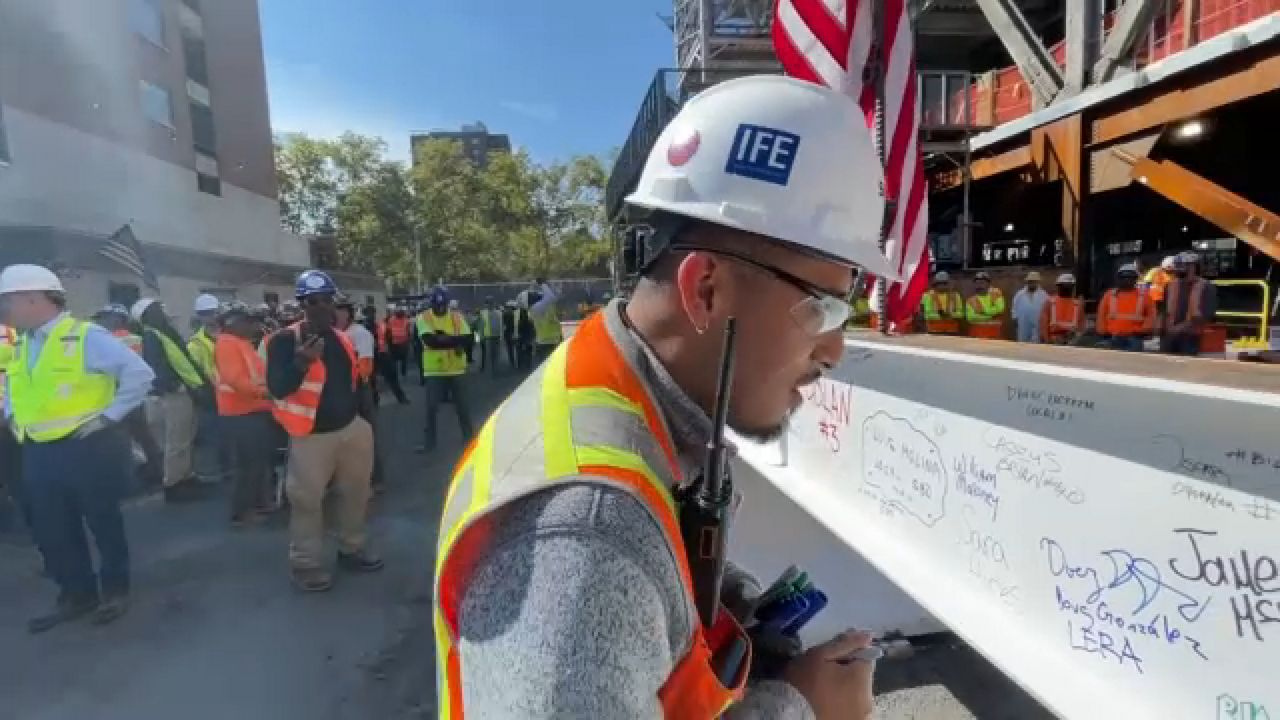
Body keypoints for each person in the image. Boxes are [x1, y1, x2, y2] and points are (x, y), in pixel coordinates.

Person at [433, 74, 883, 719]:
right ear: (705, 289)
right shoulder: (586, 539)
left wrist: (717, 610)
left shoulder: (615, 382)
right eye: (823, 308)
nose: (834, 349)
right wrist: (803, 710)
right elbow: (602, 577)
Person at [1, 264, 155, 631]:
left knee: (103, 521)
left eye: (8, 301)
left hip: (87, 447)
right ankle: (77, 593)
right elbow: (16, 387)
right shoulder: (22, 344)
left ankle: (115, 590)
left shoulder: (86, 336)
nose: (4, 310)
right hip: (38, 450)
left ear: (33, 299)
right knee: (54, 527)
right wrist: (11, 414)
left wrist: (109, 417)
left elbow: (139, 374)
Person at [266, 270, 381, 592]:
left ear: (334, 302)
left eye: (326, 300)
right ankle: (305, 564)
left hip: (352, 429)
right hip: (311, 437)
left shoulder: (341, 337)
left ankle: (351, 549)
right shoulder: (284, 340)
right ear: (302, 304)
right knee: (307, 502)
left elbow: (354, 382)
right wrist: (301, 362)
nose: (321, 306)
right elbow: (277, 387)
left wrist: (366, 422)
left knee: (356, 494)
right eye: (312, 301)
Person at [134, 297, 212, 503]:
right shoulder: (152, 335)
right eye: (157, 308)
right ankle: (173, 484)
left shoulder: (164, 332)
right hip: (175, 394)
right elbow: (156, 364)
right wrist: (173, 385)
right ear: (148, 314)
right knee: (177, 441)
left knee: (186, 436)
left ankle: (186, 476)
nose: (163, 310)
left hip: (184, 390)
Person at [212, 303, 275, 527]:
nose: (252, 326)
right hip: (240, 412)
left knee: (257, 462)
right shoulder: (228, 344)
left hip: (253, 409)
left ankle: (259, 503)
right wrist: (265, 393)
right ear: (233, 323)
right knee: (247, 464)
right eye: (248, 322)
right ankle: (241, 512)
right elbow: (235, 379)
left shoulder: (241, 343)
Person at [91, 304, 163, 485]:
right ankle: (155, 471)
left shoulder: (109, 341)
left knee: (123, 439)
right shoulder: (135, 338)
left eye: (104, 317)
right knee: (143, 436)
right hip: (134, 395)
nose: (100, 322)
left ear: (117, 319)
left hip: (116, 397)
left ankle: (131, 478)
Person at [416, 287, 474, 454]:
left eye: (443, 305)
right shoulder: (424, 317)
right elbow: (430, 341)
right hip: (435, 371)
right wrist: (455, 341)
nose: (440, 308)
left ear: (447, 304)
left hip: (457, 369)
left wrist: (442, 337)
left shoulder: (456, 317)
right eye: (437, 305)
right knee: (431, 408)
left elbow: (469, 339)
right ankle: (429, 443)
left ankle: (469, 438)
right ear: (432, 304)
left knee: (463, 407)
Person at [337, 297, 383, 492]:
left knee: (366, 436)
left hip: (358, 390)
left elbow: (365, 367)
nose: (336, 315)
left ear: (349, 313)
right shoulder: (334, 334)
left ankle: (375, 479)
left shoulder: (359, 334)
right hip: (339, 392)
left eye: (341, 310)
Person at [190, 294, 231, 485]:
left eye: (212, 312)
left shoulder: (231, 334)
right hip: (213, 394)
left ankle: (231, 466)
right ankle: (222, 470)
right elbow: (198, 371)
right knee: (217, 434)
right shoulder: (195, 343)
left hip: (235, 391)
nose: (209, 317)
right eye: (204, 313)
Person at [1160, 251, 1217, 356]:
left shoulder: (1206, 287)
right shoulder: (1170, 285)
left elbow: (1207, 315)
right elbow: (1164, 311)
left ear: (1194, 267)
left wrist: (1180, 328)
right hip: (1168, 337)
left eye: (1184, 267)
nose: (1180, 271)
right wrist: (1161, 329)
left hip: (1190, 337)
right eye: (1178, 268)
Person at [1097, 263, 1156, 352]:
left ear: (1135, 279)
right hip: (1112, 337)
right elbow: (1101, 315)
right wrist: (1103, 332)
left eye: (1129, 277)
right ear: (1118, 279)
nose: (1126, 280)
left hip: (1135, 338)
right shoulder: (1109, 295)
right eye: (1123, 277)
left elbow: (1151, 316)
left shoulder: (1144, 296)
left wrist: (1144, 330)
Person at [366, 304, 408, 405]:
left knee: (391, 376)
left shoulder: (378, 325)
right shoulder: (366, 326)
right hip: (373, 355)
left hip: (382, 353)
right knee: (372, 379)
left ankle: (401, 397)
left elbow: (388, 338)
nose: (371, 315)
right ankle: (375, 399)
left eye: (372, 313)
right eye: (369, 313)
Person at [1039, 273, 1084, 345]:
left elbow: (1081, 328)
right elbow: (1043, 326)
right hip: (1053, 342)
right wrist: (1047, 342)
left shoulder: (1078, 305)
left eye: (1069, 286)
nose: (1067, 288)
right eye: (1065, 286)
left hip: (1071, 343)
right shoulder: (1050, 303)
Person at [965, 272, 1006, 339]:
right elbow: (970, 317)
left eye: (982, 283)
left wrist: (983, 311)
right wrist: (991, 316)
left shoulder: (996, 294)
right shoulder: (971, 300)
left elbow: (1000, 309)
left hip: (995, 334)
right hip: (977, 335)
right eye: (977, 283)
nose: (979, 286)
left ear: (988, 284)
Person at [1011, 271, 1049, 343]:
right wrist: (1015, 318)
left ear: (1038, 282)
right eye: (1030, 281)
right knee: (1022, 342)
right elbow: (1014, 308)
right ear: (1027, 282)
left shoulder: (1044, 295)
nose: (1032, 283)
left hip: (1037, 323)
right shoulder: (1019, 294)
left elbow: (1047, 310)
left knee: (1036, 343)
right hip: (1023, 322)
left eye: (1034, 281)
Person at [476, 296, 503, 375]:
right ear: (486, 304)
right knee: (488, 356)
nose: (489, 304)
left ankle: (495, 370)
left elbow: (501, 325)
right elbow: (479, 327)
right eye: (488, 303)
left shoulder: (499, 313)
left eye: (491, 302)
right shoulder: (482, 313)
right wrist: (479, 338)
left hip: (497, 337)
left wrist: (501, 337)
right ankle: (489, 372)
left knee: (496, 355)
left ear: (494, 303)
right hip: (487, 338)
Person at [501, 300, 518, 369]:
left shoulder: (505, 314)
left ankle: (512, 362)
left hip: (508, 333)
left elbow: (503, 325)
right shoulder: (515, 314)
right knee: (514, 348)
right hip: (512, 333)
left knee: (510, 349)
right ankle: (515, 362)